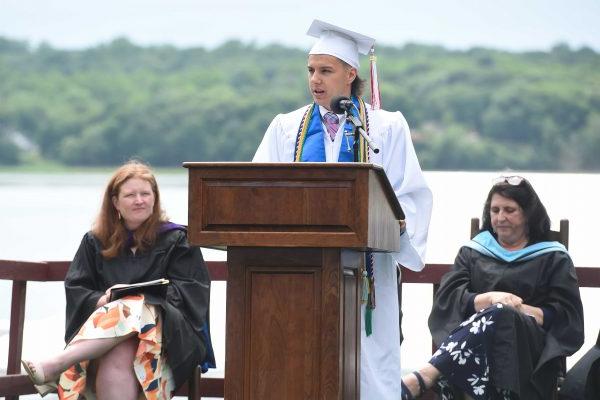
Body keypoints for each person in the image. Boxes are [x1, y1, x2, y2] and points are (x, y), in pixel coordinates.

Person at [253, 19, 433, 400]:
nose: (315, 80)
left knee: (369, 366)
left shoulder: (385, 128)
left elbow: (411, 197)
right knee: (303, 359)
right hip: (302, 272)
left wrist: (395, 226)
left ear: (351, 74)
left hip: (367, 274)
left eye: (325, 70)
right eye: (311, 71)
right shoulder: (287, 128)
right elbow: (260, 191)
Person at [21, 160, 215, 399]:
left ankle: (61, 361)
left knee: (134, 303)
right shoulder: (95, 242)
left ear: (155, 198)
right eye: (130, 195)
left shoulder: (176, 240)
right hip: (105, 342)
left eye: (146, 193)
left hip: (169, 338)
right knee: (119, 350)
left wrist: (139, 299)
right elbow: (77, 289)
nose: (139, 200)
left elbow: (191, 293)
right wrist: (103, 300)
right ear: (115, 202)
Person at [401, 176, 584, 399]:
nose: (500, 218)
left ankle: (429, 374)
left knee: (503, 313)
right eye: (495, 210)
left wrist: (518, 311)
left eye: (509, 210)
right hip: (479, 351)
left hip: (530, 355)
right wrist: (489, 299)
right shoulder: (473, 252)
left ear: (528, 214)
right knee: (499, 311)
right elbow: (447, 300)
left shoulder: (553, 257)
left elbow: (567, 316)